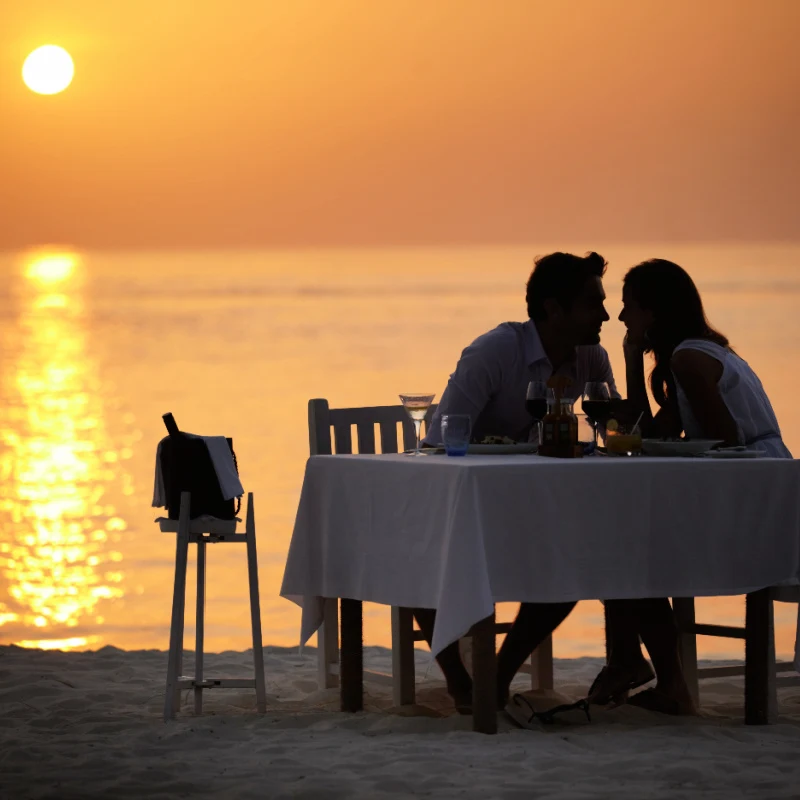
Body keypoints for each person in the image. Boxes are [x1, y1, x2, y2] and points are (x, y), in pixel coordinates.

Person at [417, 250, 619, 712]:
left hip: (530, 510)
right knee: (414, 558)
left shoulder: (592, 359)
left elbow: (610, 435)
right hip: (465, 507)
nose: (606, 314)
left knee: (572, 563)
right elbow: (442, 437)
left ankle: (496, 678)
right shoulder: (495, 352)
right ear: (553, 309)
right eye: (593, 303)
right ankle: (462, 685)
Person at [589, 258, 792, 715]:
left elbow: (725, 437)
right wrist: (629, 357)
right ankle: (637, 667)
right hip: (763, 489)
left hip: (754, 502)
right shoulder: (698, 352)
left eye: (629, 308)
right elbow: (649, 433)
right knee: (624, 543)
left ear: (653, 312)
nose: (621, 318)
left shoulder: (687, 359)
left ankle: (659, 679)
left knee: (627, 551)